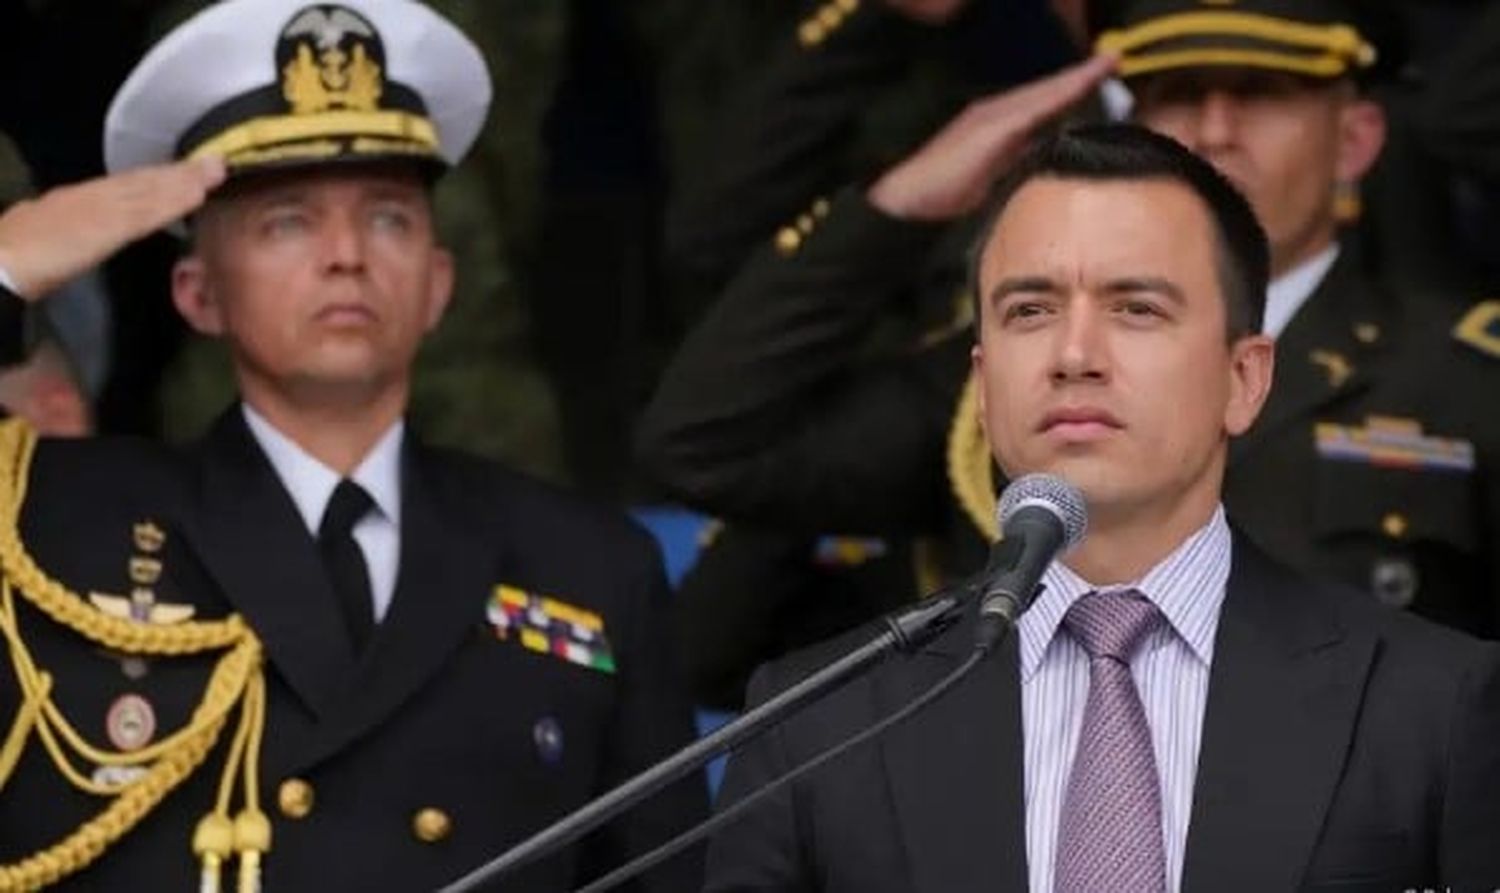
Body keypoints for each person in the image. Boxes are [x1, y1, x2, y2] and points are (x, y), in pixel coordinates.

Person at [0, 1, 705, 889]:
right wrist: (8, 268)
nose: (346, 254)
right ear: (196, 292)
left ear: (440, 284)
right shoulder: (52, 515)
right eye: (287, 220)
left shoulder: (589, 566)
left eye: (389, 218)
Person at [702, 123, 1500, 893]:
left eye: (1136, 308)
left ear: (1244, 379)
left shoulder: (1431, 704)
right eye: (1030, 310)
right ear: (982, 383)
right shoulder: (819, 722)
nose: (1075, 355)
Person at [638, 0, 1500, 656]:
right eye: (1178, 97)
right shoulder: (1019, 367)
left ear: (1355, 139)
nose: (1215, 131)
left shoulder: (1460, 378)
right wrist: (896, 208)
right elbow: (709, 443)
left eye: (1264, 96)